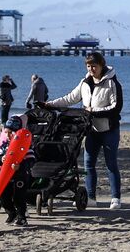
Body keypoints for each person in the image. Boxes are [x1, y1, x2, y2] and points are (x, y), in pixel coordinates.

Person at [44, 51, 124, 207]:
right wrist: (50, 104)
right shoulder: (84, 83)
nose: (91, 69)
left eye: (94, 66)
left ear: (102, 65)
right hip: (91, 130)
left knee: (111, 164)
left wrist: (93, 111)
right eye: (89, 66)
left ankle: (116, 198)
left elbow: (116, 107)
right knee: (88, 164)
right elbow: (70, 98)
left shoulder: (112, 83)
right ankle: (91, 198)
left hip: (109, 130)